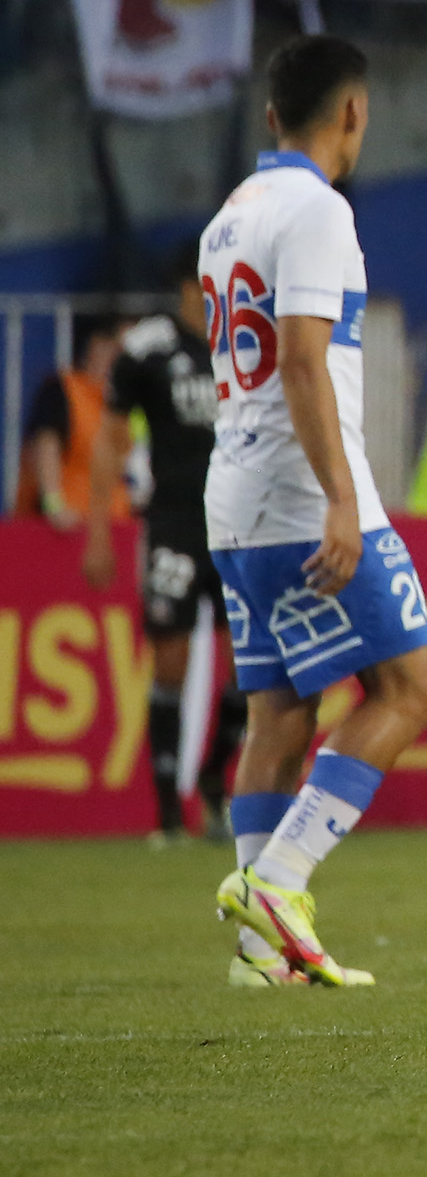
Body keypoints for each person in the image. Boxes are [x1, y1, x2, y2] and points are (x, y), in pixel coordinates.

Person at [205, 35, 427, 987]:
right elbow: (303, 359)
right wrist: (346, 500)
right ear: (355, 113)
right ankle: (282, 879)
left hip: (236, 501)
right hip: (307, 499)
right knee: (411, 690)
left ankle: (262, 954)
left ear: (271, 117)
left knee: (279, 713)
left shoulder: (230, 216)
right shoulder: (317, 211)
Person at [88, 265, 238, 845]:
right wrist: (101, 529)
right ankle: (169, 816)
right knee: (170, 664)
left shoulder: (245, 341)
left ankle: (212, 779)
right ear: (186, 285)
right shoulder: (147, 348)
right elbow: (111, 436)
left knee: (248, 672)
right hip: (174, 524)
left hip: (239, 528)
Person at [15, 312, 122, 527]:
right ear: (96, 346)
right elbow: (46, 446)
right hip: (69, 524)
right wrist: (54, 505)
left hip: (117, 521)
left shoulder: (124, 402)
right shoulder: (63, 391)